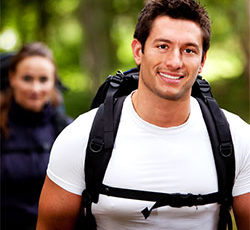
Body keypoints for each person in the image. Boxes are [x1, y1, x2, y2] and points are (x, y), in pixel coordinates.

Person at [37, 0, 250, 229]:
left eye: (189, 50)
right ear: (139, 51)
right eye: (162, 46)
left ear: (202, 61)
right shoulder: (80, 137)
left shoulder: (237, 138)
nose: (175, 62)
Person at [0, 42, 73, 230]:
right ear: (12, 78)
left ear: (53, 82)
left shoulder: (68, 131)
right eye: (27, 78)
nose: (35, 88)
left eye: (43, 80)